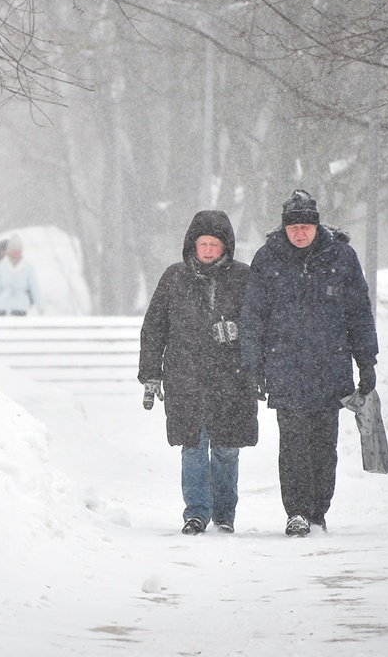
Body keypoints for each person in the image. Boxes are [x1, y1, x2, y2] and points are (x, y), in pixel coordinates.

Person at [239, 190, 378, 537]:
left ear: (316, 225)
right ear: (284, 228)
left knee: (323, 443)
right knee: (293, 443)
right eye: (294, 227)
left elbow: (359, 314)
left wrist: (366, 361)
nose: (300, 233)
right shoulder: (267, 260)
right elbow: (253, 315)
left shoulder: (342, 258)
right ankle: (297, 512)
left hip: (330, 367)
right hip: (284, 366)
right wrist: (253, 364)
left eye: (306, 226)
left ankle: (319, 509)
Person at [139, 210, 259, 535]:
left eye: (214, 244)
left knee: (226, 449)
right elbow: (154, 328)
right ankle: (195, 513)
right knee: (192, 446)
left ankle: (224, 515)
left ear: (226, 247)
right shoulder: (174, 278)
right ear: (193, 245)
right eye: (202, 243)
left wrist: (237, 334)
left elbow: (259, 326)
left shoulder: (244, 278)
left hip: (231, 380)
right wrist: (151, 373)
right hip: (185, 379)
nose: (207, 250)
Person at [0, 234, 42, 316]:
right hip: (3, 307)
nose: (16, 253)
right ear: (9, 251)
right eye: (14, 251)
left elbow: (34, 288)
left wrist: (40, 306)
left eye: (18, 251)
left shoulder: (28, 267)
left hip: (20, 307)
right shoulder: (1, 266)